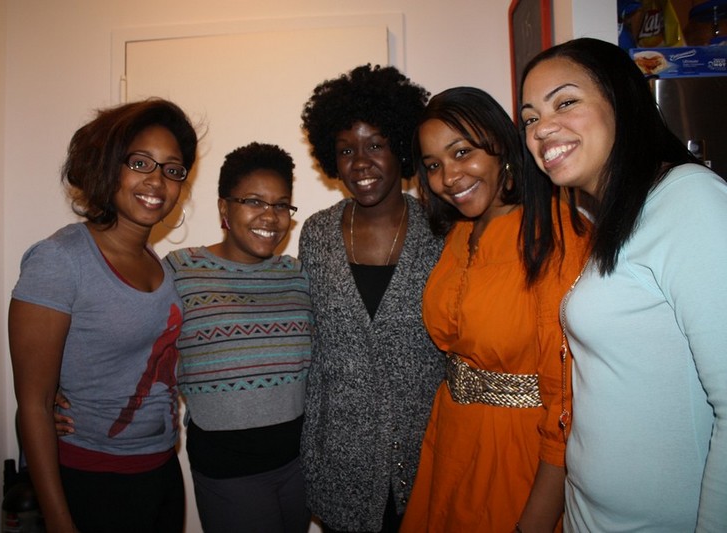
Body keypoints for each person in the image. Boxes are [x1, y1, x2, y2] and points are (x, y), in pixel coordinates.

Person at [520, 37, 727, 532]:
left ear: (621, 100)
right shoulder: (612, 219)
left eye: (564, 103)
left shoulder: (690, 200)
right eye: (529, 118)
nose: (541, 128)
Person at [399, 87, 588, 533]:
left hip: (520, 457)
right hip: (451, 442)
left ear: (501, 147)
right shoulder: (458, 234)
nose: (449, 177)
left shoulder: (556, 233)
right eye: (433, 165)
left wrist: (536, 521)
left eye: (462, 152)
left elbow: (568, 403)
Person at [9, 98, 197, 532]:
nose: (157, 180)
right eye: (140, 163)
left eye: (172, 169)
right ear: (108, 166)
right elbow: (33, 405)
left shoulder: (157, 263)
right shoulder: (60, 259)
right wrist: (59, 520)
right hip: (94, 479)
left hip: (162, 471)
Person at [298, 64, 444, 532]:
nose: (360, 163)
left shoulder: (442, 231)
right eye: (346, 150)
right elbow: (314, 344)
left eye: (375, 145)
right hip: (342, 459)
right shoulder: (316, 234)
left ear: (401, 145)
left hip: (427, 454)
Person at [163, 142, 313, 532]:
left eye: (281, 205)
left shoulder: (297, 275)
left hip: (298, 464)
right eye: (254, 201)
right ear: (224, 208)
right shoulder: (181, 271)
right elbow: (132, 344)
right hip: (228, 470)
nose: (271, 216)